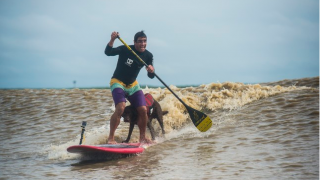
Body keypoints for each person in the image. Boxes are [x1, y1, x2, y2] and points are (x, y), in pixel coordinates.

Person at [105, 31, 155, 144]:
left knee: (143, 109)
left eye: (145, 41)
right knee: (121, 108)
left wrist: (152, 70)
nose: (143, 44)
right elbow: (108, 52)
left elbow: (151, 76)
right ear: (134, 42)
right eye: (140, 41)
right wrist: (112, 40)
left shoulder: (148, 56)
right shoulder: (126, 49)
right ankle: (111, 138)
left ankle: (142, 137)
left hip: (132, 85)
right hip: (118, 82)